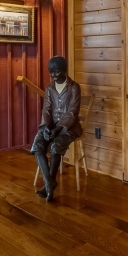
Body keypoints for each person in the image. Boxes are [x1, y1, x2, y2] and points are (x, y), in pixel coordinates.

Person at [31, 56, 82, 201]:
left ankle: (48, 185)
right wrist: (47, 126)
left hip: (69, 128)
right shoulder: (49, 88)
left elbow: (72, 112)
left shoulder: (74, 87)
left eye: (57, 71)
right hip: (51, 126)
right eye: (51, 72)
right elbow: (46, 109)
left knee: (55, 145)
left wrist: (59, 128)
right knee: (37, 145)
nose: (53, 75)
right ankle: (50, 183)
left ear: (65, 70)